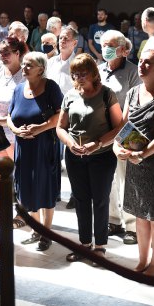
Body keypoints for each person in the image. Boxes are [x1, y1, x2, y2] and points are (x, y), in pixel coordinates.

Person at [114, 49, 154, 276]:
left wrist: (144, 154)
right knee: (140, 215)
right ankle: (142, 260)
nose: (141, 66)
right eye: (140, 61)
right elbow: (122, 127)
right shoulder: (133, 93)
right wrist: (118, 148)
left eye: (147, 63)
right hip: (135, 161)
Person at [56, 54, 123, 262]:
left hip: (102, 156)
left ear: (94, 73)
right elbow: (60, 127)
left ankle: (100, 246)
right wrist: (70, 144)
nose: (79, 77)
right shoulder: (70, 95)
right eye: (75, 74)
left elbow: (119, 127)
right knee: (81, 200)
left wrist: (99, 143)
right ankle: (84, 244)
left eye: (83, 73)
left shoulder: (106, 94)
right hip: (75, 155)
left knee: (100, 200)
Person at [8, 52, 63, 251]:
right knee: (26, 187)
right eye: (23, 64)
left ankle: (46, 233)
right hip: (23, 146)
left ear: (41, 69)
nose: (24, 67)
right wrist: (16, 130)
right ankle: (35, 229)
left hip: (44, 146)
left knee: (45, 187)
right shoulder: (18, 88)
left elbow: (60, 116)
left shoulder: (51, 87)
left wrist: (38, 129)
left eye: (29, 65)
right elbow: (9, 116)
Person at [99, 30, 141, 244]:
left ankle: (132, 226)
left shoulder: (133, 72)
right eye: (103, 44)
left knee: (127, 179)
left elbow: (135, 104)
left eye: (111, 45)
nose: (105, 48)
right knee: (108, 178)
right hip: (103, 132)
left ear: (123, 49)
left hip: (127, 131)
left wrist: (119, 131)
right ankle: (113, 220)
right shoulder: (98, 70)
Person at [0, 35, 26, 226]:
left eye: (7, 53)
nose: (3, 56)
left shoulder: (25, 74)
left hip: (16, 131)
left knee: (19, 173)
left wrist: (6, 121)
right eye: (0, 53)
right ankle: (1, 212)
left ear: (18, 53)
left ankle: (21, 214)